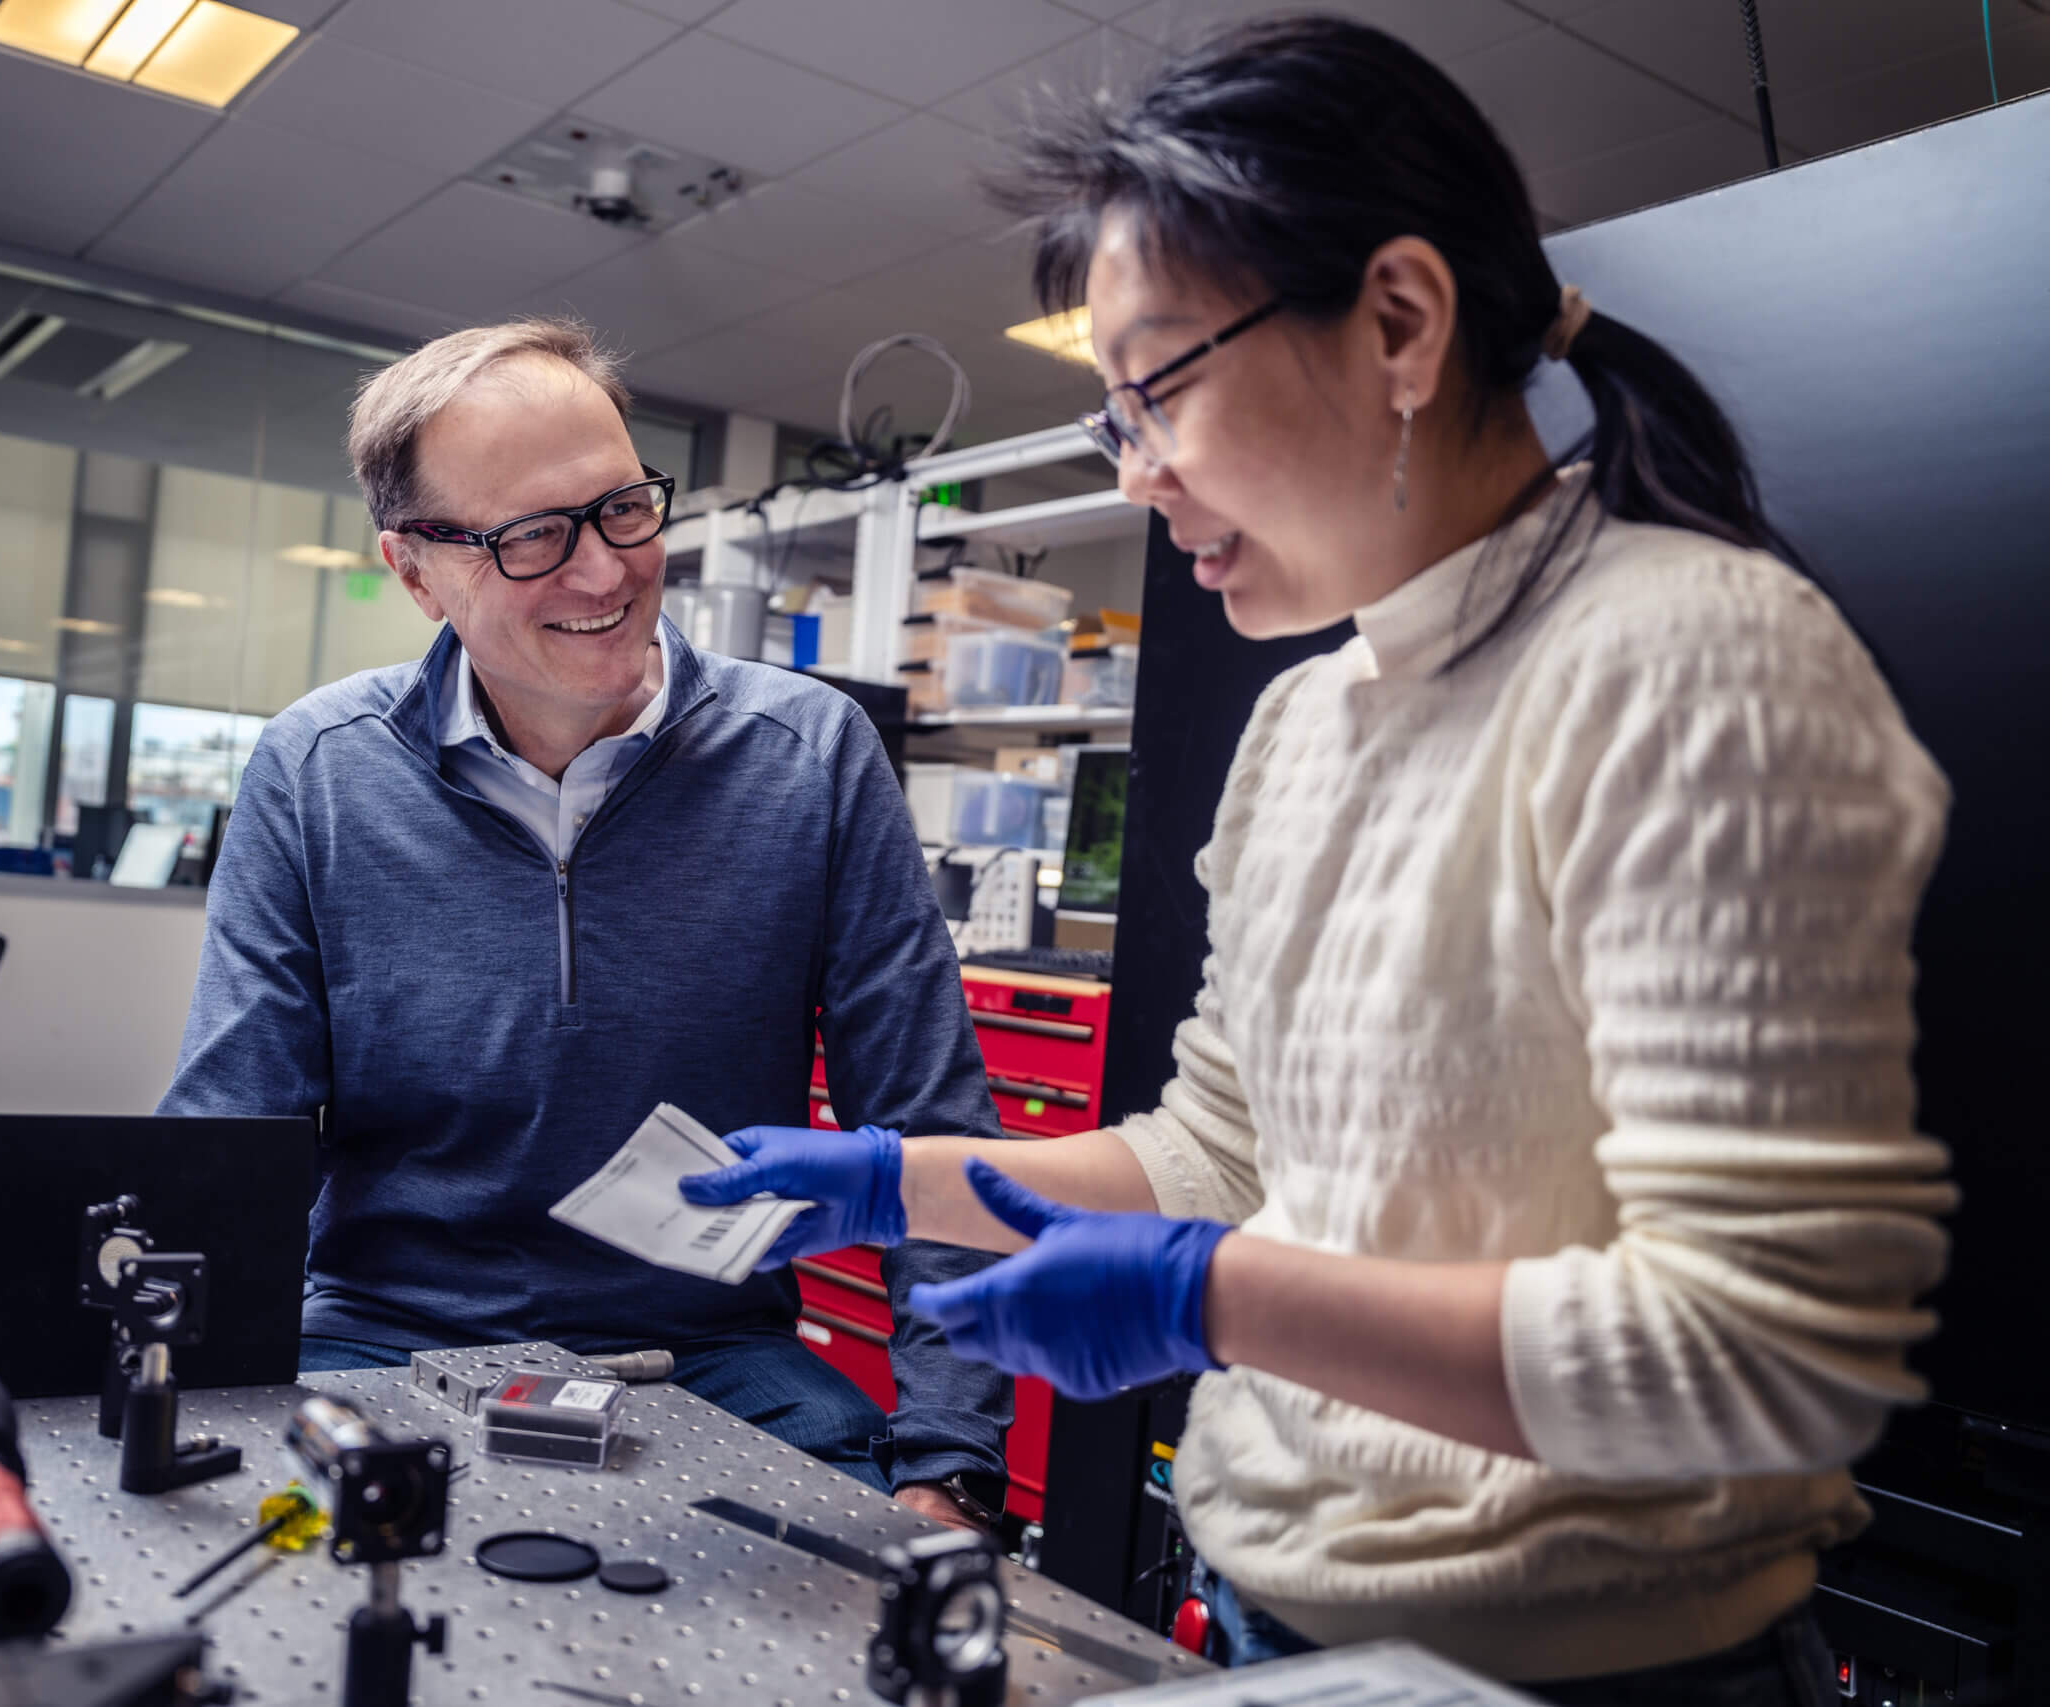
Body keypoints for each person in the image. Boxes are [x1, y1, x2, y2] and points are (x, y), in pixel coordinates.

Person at [679, 17, 1951, 1699]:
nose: (1137, 472)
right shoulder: (1307, 720)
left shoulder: (1695, 663)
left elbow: (1763, 1356)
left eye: (1157, 392)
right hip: (1280, 1625)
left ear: (1401, 325)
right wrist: (893, 1183)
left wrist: (1223, 1299)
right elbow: (1226, 1143)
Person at [159, 318, 1009, 1529]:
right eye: (533, 538)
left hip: (709, 1349)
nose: (605, 572)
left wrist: (948, 1461)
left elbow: (930, 1129)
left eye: (622, 509)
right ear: (415, 571)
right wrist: (165, 1383)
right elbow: (228, 1134)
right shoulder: (320, 769)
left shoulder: (810, 757)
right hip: (381, 1334)